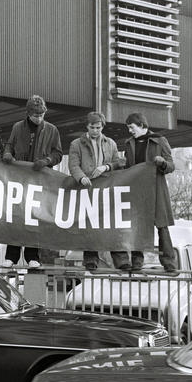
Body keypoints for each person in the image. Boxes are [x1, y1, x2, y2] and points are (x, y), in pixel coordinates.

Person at [2, 95, 63, 267]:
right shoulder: (17, 127)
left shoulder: (52, 130)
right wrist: (7, 154)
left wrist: (47, 161)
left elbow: (58, 153)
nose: (39, 118)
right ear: (28, 113)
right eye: (36, 115)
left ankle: (32, 256)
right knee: (16, 215)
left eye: (42, 115)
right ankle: (11, 256)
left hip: (39, 180)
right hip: (19, 179)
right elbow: (9, 145)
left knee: (34, 216)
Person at [69, 111, 126, 272]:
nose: (96, 130)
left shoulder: (111, 143)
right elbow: (74, 165)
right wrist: (81, 178)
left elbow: (119, 162)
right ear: (87, 127)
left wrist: (106, 167)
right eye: (92, 127)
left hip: (106, 188)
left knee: (112, 223)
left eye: (98, 128)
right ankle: (91, 260)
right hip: (87, 188)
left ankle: (121, 259)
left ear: (102, 127)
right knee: (90, 224)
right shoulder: (76, 144)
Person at [123, 112, 178, 273]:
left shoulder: (160, 140)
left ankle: (169, 264)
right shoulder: (129, 143)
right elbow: (128, 166)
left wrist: (162, 163)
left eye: (131, 127)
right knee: (137, 226)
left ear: (141, 125)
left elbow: (171, 165)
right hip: (137, 190)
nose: (130, 131)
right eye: (128, 128)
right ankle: (137, 263)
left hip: (156, 189)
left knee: (162, 227)